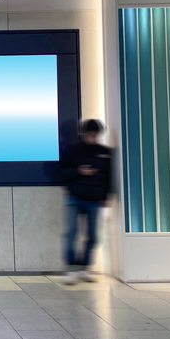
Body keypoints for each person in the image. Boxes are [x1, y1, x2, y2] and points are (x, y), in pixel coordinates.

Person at [58, 119, 113, 285]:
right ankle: (71, 269)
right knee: (71, 234)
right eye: (89, 135)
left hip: (95, 199)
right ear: (83, 133)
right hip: (73, 197)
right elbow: (61, 172)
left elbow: (108, 176)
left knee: (93, 236)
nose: (92, 138)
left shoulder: (104, 152)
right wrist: (79, 171)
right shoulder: (72, 150)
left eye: (95, 135)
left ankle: (84, 268)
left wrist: (106, 196)